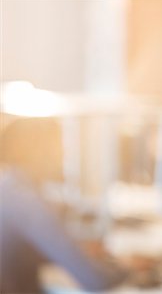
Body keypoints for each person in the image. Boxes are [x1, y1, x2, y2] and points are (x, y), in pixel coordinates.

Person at [0, 117, 126, 293]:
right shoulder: (27, 202)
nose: (63, 157)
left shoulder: (8, 186)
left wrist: (80, 250)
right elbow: (96, 281)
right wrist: (128, 267)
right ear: (35, 153)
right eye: (57, 149)